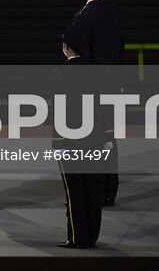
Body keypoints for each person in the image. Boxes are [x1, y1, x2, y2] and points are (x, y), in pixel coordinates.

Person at [63, 0, 126, 206]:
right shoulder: (117, 12)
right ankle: (109, 191)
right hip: (113, 84)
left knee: (91, 138)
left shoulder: (85, 15)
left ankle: (95, 191)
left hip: (89, 85)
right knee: (109, 138)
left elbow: (73, 44)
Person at [55, 36, 105, 249]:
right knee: (93, 189)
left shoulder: (60, 74)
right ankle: (92, 235)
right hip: (95, 139)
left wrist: (58, 143)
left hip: (70, 140)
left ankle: (77, 237)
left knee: (74, 191)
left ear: (66, 48)